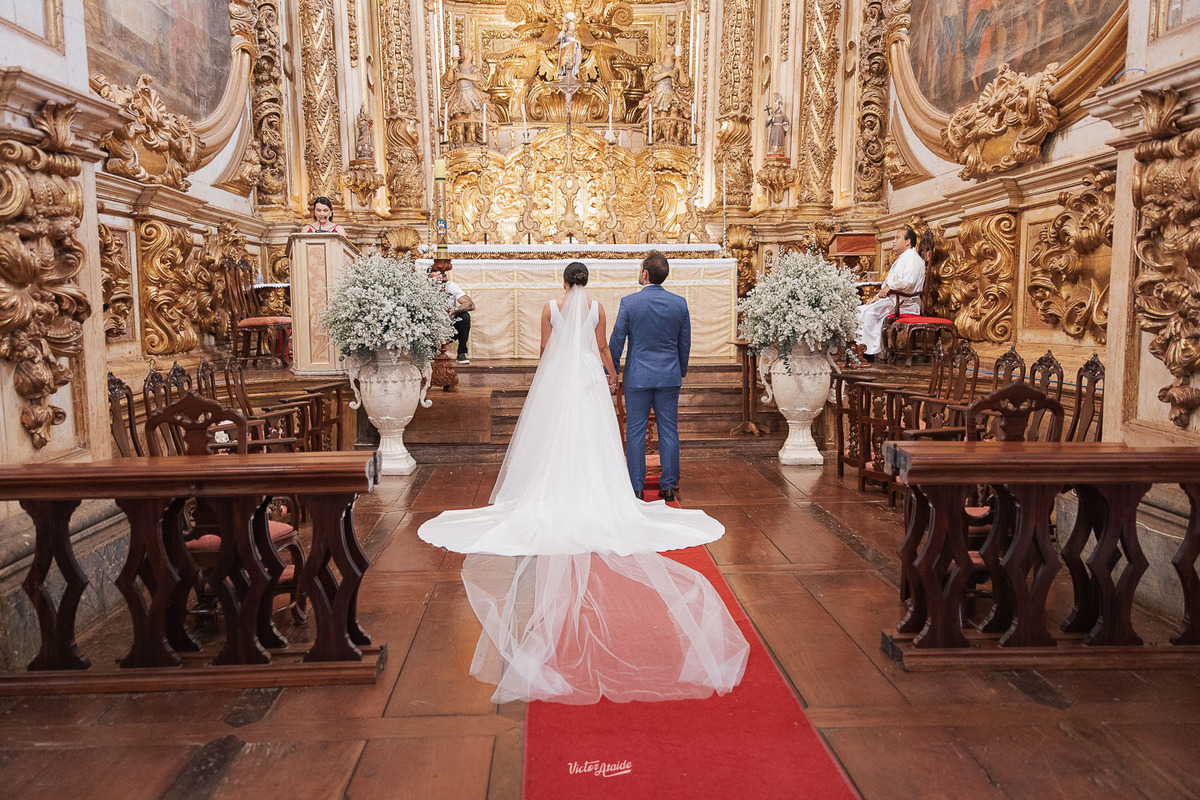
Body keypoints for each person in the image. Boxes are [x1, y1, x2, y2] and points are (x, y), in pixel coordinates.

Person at [418, 261, 748, 705]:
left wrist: (551, 379)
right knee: (597, 438)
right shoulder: (597, 307)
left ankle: (555, 487)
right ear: (587, 282)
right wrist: (610, 375)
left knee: (556, 437)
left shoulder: (549, 307)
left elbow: (544, 350)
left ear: (562, 281)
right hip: (591, 379)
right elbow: (603, 349)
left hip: (559, 381)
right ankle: (619, 487)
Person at [608, 250, 689, 503]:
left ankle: (636, 487)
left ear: (645, 274)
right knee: (669, 430)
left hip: (638, 377)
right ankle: (667, 487)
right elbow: (684, 343)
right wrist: (680, 370)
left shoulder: (629, 303)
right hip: (668, 376)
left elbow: (617, 341)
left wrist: (610, 372)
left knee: (634, 430)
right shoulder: (679, 303)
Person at [856, 228, 927, 358]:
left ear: (908, 241)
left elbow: (909, 282)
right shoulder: (903, 258)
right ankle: (861, 350)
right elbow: (889, 285)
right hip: (895, 299)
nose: (893, 241)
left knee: (869, 313)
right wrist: (878, 296)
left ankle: (868, 353)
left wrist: (889, 288)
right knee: (860, 310)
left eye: (897, 238)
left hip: (905, 302)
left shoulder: (912, 258)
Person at [444, 277, 474, 364]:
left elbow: (470, 305)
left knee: (465, 316)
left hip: (450, 325)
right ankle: (430, 350)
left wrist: (454, 310)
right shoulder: (425, 286)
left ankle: (461, 353)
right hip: (432, 324)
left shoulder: (450, 286)